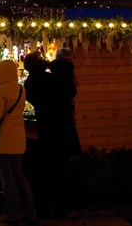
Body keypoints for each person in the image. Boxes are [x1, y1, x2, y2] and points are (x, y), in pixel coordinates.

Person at [0, 60, 36, 224]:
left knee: (6, 177)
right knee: (19, 175)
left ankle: (12, 213)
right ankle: (30, 211)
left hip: (5, 139)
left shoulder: (1, 90)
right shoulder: (21, 88)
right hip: (19, 137)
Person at [46, 48, 82, 218]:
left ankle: (54, 205)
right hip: (64, 126)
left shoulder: (50, 76)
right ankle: (63, 207)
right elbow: (73, 89)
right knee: (64, 169)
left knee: (54, 169)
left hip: (50, 127)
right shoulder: (67, 77)